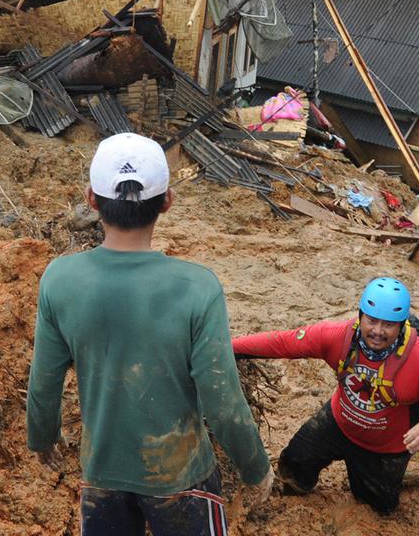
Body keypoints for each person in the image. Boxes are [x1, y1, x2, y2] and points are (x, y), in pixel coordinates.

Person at [26, 132, 274, 536]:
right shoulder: (197, 287)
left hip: (102, 473)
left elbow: (44, 382)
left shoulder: (60, 279)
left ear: (91, 200)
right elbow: (223, 399)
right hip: (181, 478)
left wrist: (42, 437)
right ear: (167, 202)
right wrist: (255, 467)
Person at [232, 277, 419, 514]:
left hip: (385, 447)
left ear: (401, 326)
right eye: (371, 320)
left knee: (377, 508)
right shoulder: (338, 336)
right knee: (293, 468)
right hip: (338, 423)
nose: (377, 331)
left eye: (388, 325)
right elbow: (283, 343)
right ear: (360, 316)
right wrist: (228, 346)